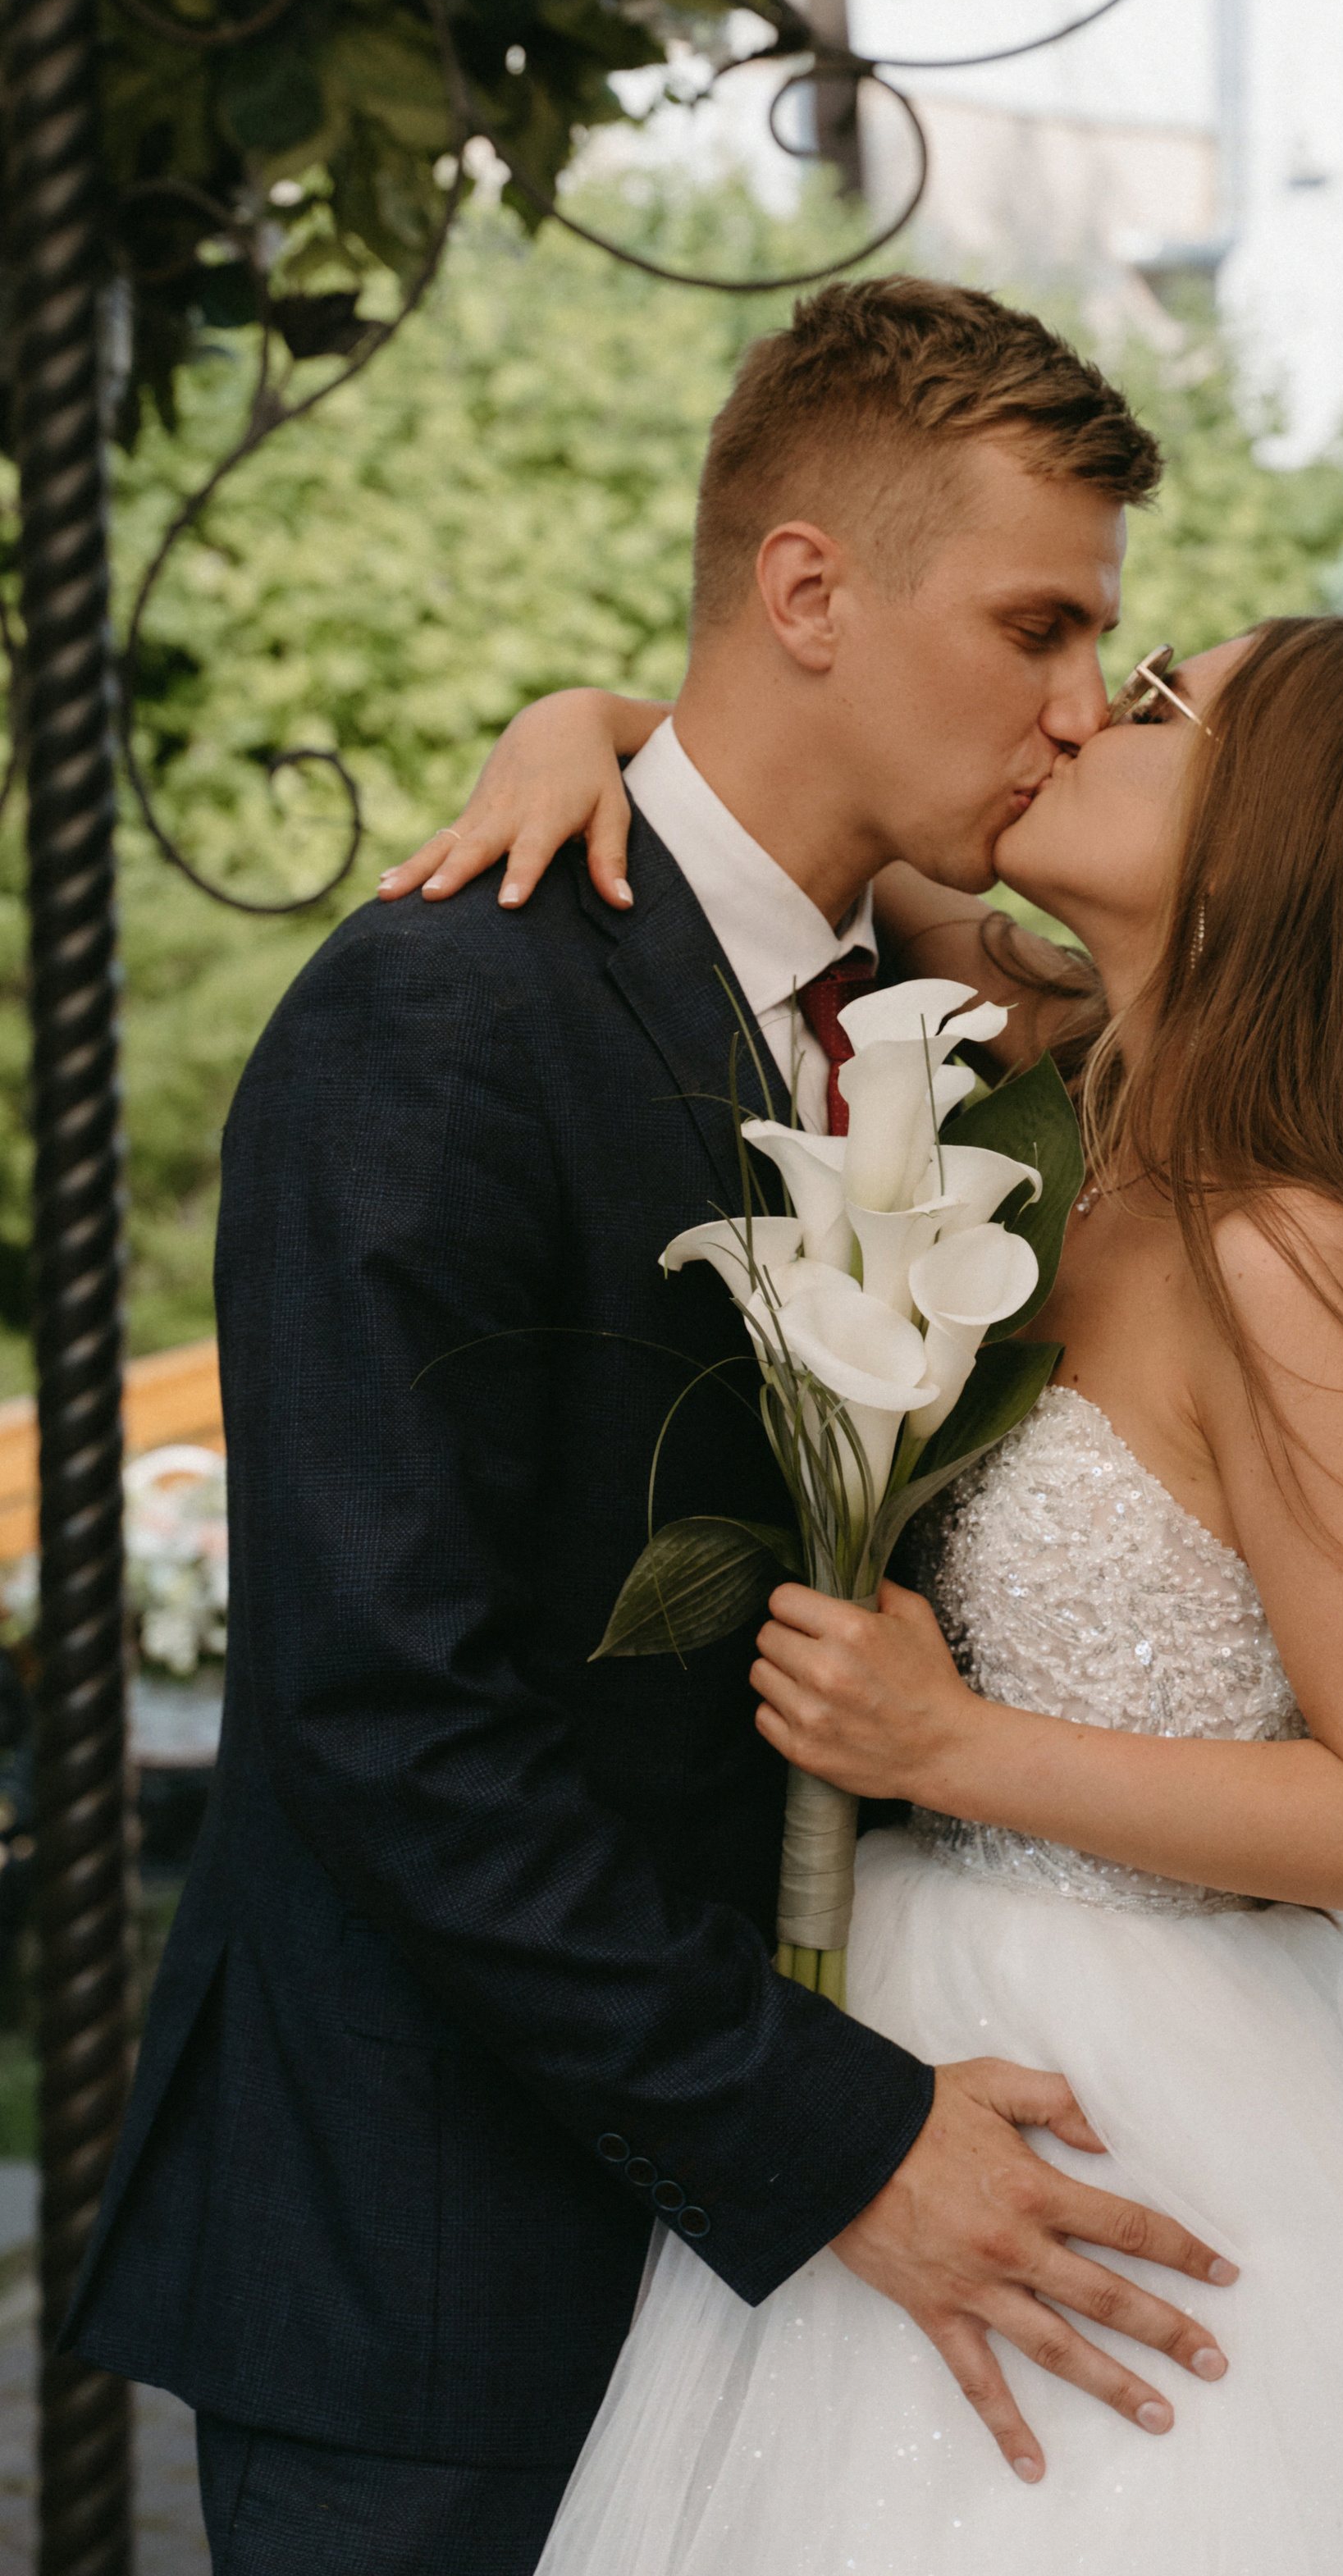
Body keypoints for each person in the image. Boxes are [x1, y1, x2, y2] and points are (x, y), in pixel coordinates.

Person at [62, 281, 1245, 2576]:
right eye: (1033, 625)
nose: (1078, 705)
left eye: (1101, 641)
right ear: (809, 590)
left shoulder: (922, 1028)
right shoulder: (441, 1014)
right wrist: (841, 2139)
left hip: (759, 2296)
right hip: (441, 2279)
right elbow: (389, 1713)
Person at [407, 616, 1343, 2573]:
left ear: (1267, 832)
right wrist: (573, 723)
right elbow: (783, 777)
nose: (1077, 712)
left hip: (1133, 2086)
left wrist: (946, 1742)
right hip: (884, 2038)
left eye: (1150, 705)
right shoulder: (1050, 1074)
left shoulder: (1281, 1246)